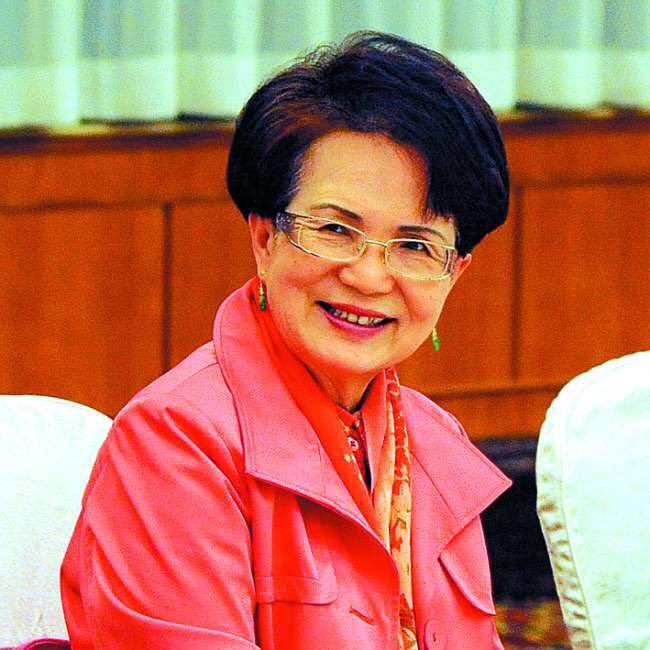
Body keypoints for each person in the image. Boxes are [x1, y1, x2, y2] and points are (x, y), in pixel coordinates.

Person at [60, 32, 511, 649]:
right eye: (334, 230)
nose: (369, 277)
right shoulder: (175, 443)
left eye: (414, 246)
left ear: (454, 273)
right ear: (264, 238)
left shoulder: (433, 441)